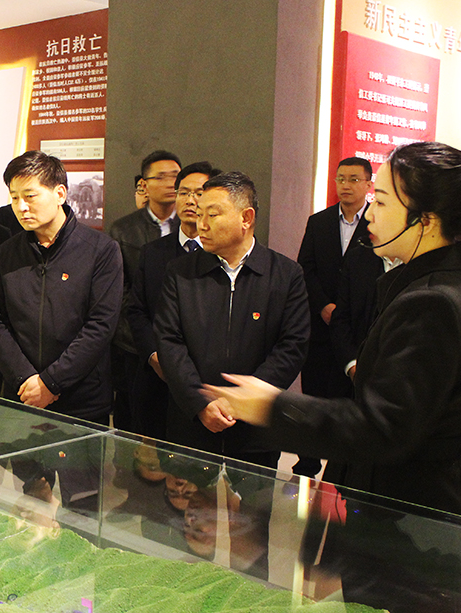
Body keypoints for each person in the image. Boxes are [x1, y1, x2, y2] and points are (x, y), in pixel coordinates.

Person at [205, 142, 461, 613]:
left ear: (425, 220)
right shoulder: (432, 287)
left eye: (383, 201)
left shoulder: (434, 302)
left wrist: (273, 407)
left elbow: (383, 427)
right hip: (402, 526)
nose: (369, 212)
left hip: (412, 535)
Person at [154, 170, 309, 579]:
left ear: (246, 217)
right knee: (187, 534)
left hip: (255, 428)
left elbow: (292, 346)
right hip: (192, 425)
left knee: (252, 540)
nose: (200, 223)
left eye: (213, 214)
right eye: (198, 212)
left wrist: (240, 401)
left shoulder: (285, 275)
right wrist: (200, 402)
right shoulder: (181, 272)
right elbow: (169, 342)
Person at [0, 150, 122, 424]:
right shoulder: (8, 252)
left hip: (81, 399)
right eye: (14, 197)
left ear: (60, 194)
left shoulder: (100, 250)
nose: (21, 207)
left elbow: (100, 326)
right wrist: (25, 379)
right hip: (21, 394)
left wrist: (51, 382)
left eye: (30, 196)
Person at [292, 156, 378, 478]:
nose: (346, 185)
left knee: (347, 397)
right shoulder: (319, 222)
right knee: (314, 394)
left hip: (357, 328)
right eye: (341, 178)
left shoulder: (377, 223)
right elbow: (306, 267)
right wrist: (324, 306)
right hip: (320, 324)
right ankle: (308, 461)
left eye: (354, 179)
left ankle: (342, 466)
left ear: (368, 184)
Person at [125, 161, 219, 438]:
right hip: (157, 378)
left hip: (205, 381)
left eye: (199, 193)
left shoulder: (222, 255)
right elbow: (137, 310)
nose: (190, 200)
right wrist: (154, 355)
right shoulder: (153, 252)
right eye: (183, 192)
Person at [108, 150, 182, 430]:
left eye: (175, 176)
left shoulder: (192, 226)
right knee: (134, 421)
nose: (170, 183)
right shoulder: (124, 230)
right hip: (133, 344)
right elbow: (120, 291)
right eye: (161, 177)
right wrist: (144, 340)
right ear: (144, 185)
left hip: (180, 342)